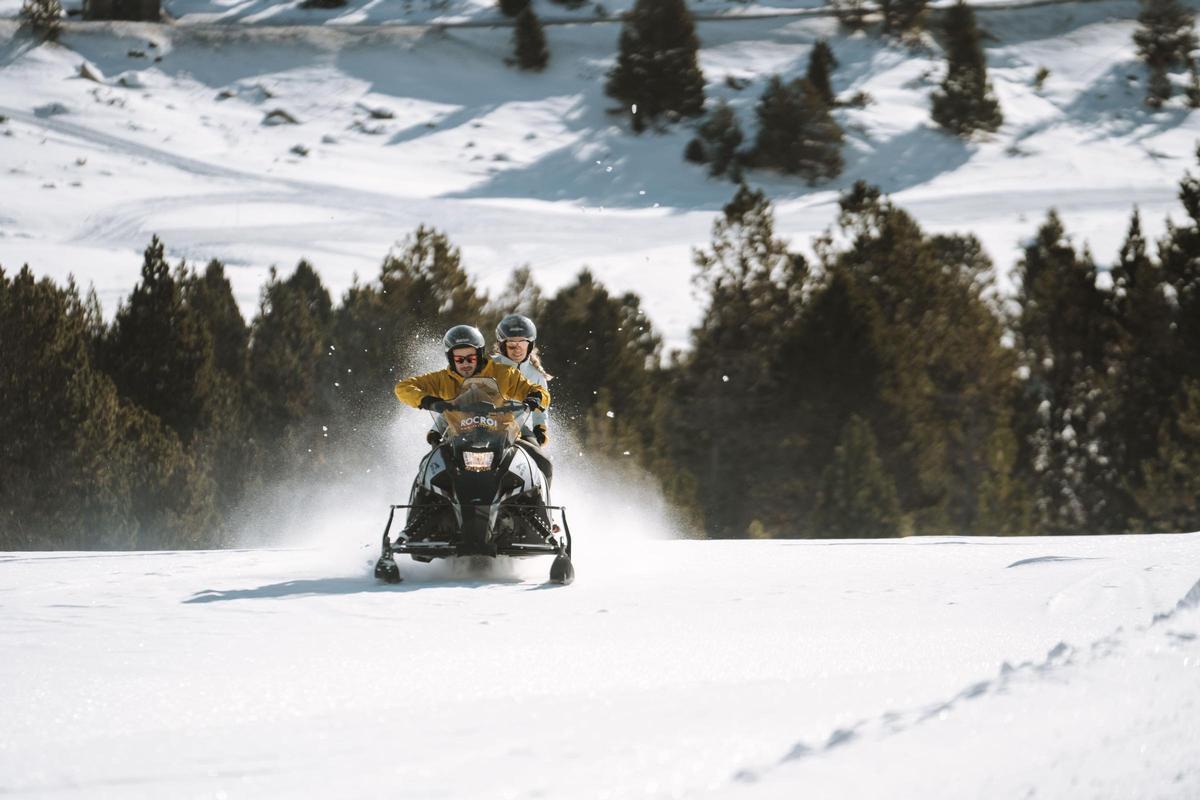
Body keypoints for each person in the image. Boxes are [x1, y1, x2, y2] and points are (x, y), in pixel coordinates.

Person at [394, 324, 550, 444]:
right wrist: (427, 400)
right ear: (450, 359)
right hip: (457, 441)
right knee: (428, 466)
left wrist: (535, 397)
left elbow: (538, 390)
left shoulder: (504, 373)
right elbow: (403, 387)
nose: (465, 364)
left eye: (471, 358)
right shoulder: (442, 379)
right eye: (459, 360)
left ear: (480, 355)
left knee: (541, 461)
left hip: (505, 440)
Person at [491, 314, 552, 447]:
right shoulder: (487, 367)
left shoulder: (537, 376)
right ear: (502, 346)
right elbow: (462, 394)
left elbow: (541, 410)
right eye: (512, 344)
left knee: (542, 460)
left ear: (530, 345)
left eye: (522, 343)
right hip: (483, 424)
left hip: (516, 430)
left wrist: (540, 429)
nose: (517, 349)